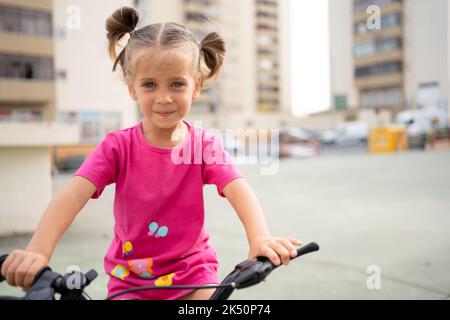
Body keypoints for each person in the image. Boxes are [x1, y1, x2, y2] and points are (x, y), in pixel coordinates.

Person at [0, 7, 302, 300]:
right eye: (149, 84)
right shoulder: (117, 147)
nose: (164, 98)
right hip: (130, 283)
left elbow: (238, 188)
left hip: (193, 276)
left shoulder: (204, 145)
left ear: (196, 87)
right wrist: (38, 251)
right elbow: (71, 196)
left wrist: (259, 236)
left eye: (176, 84)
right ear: (133, 89)